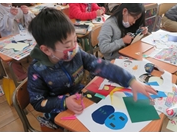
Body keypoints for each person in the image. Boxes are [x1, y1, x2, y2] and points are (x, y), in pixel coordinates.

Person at [27, 8, 156, 123]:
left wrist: (131, 81)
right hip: (59, 112)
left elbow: (103, 66)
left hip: (81, 99)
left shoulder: (76, 53)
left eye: (75, 40)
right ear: (46, 50)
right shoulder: (37, 71)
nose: (74, 47)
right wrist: (64, 102)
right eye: (67, 45)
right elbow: (38, 102)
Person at [0, 3, 35, 81]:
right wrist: (10, 16)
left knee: (39, 47)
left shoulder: (17, 5)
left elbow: (31, 24)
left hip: (25, 36)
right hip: (9, 39)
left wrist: (26, 13)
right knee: (10, 58)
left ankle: (38, 71)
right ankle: (23, 78)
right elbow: (3, 27)